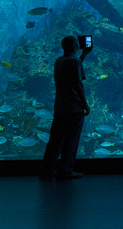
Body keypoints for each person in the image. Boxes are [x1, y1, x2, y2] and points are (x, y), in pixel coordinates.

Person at [40, 35, 91, 180]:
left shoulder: (59, 61)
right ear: (76, 46)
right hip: (73, 108)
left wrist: (84, 55)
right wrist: (85, 104)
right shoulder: (74, 61)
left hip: (60, 108)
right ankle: (66, 170)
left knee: (55, 141)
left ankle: (47, 170)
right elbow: (77, 83)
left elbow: (73, 68)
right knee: (71, 140)